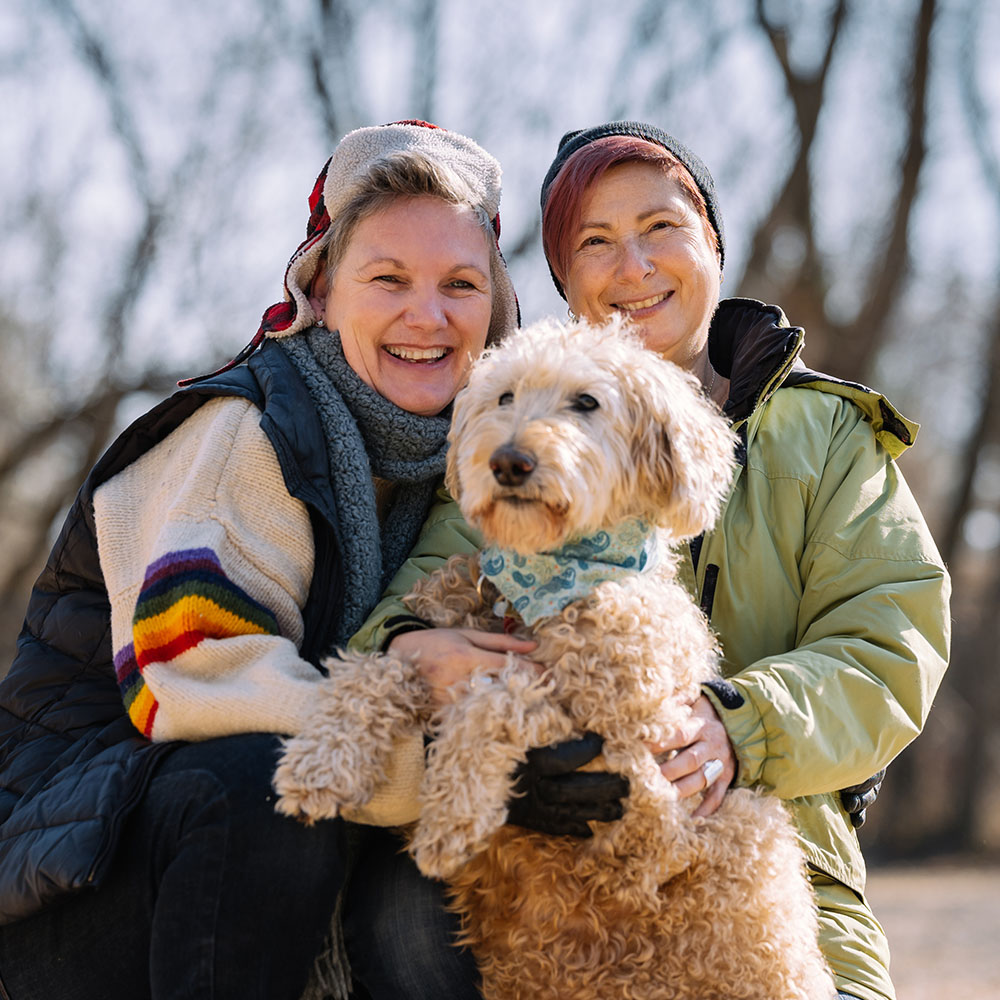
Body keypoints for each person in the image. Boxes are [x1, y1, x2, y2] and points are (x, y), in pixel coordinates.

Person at [355, 121, 950, 1000]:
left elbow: (889, 648)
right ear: (565, 283)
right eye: (594, 242)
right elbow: (406, 608)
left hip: (769, 864)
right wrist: (410, 649)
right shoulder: (513, 442)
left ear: (712, 242)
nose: (632, 265)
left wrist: (737, 728)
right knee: (399, 920)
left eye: (661, 227)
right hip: (544, 867)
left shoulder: (826, 435)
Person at [0, 120, 529, 1000]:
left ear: (497, 308)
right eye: (387, 278)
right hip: (71, 891)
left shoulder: (488, 469)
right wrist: (461, 776)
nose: (426, 316)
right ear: (320, 288)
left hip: (264, 880)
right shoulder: (244, 428)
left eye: (460, 284)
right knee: (266, 783)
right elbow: (207, 681)